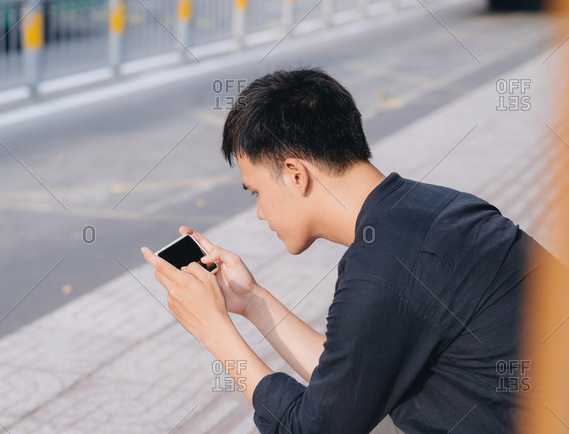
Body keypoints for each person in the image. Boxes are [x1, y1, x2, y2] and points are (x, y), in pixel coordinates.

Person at [141, 68, 560, 433]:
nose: (260, 214)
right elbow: (350, 384)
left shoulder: (383, 267)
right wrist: (250, 301)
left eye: (256, 193)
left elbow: (315, 427)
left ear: (294, 174)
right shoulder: (433, 207)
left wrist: (213, 331)